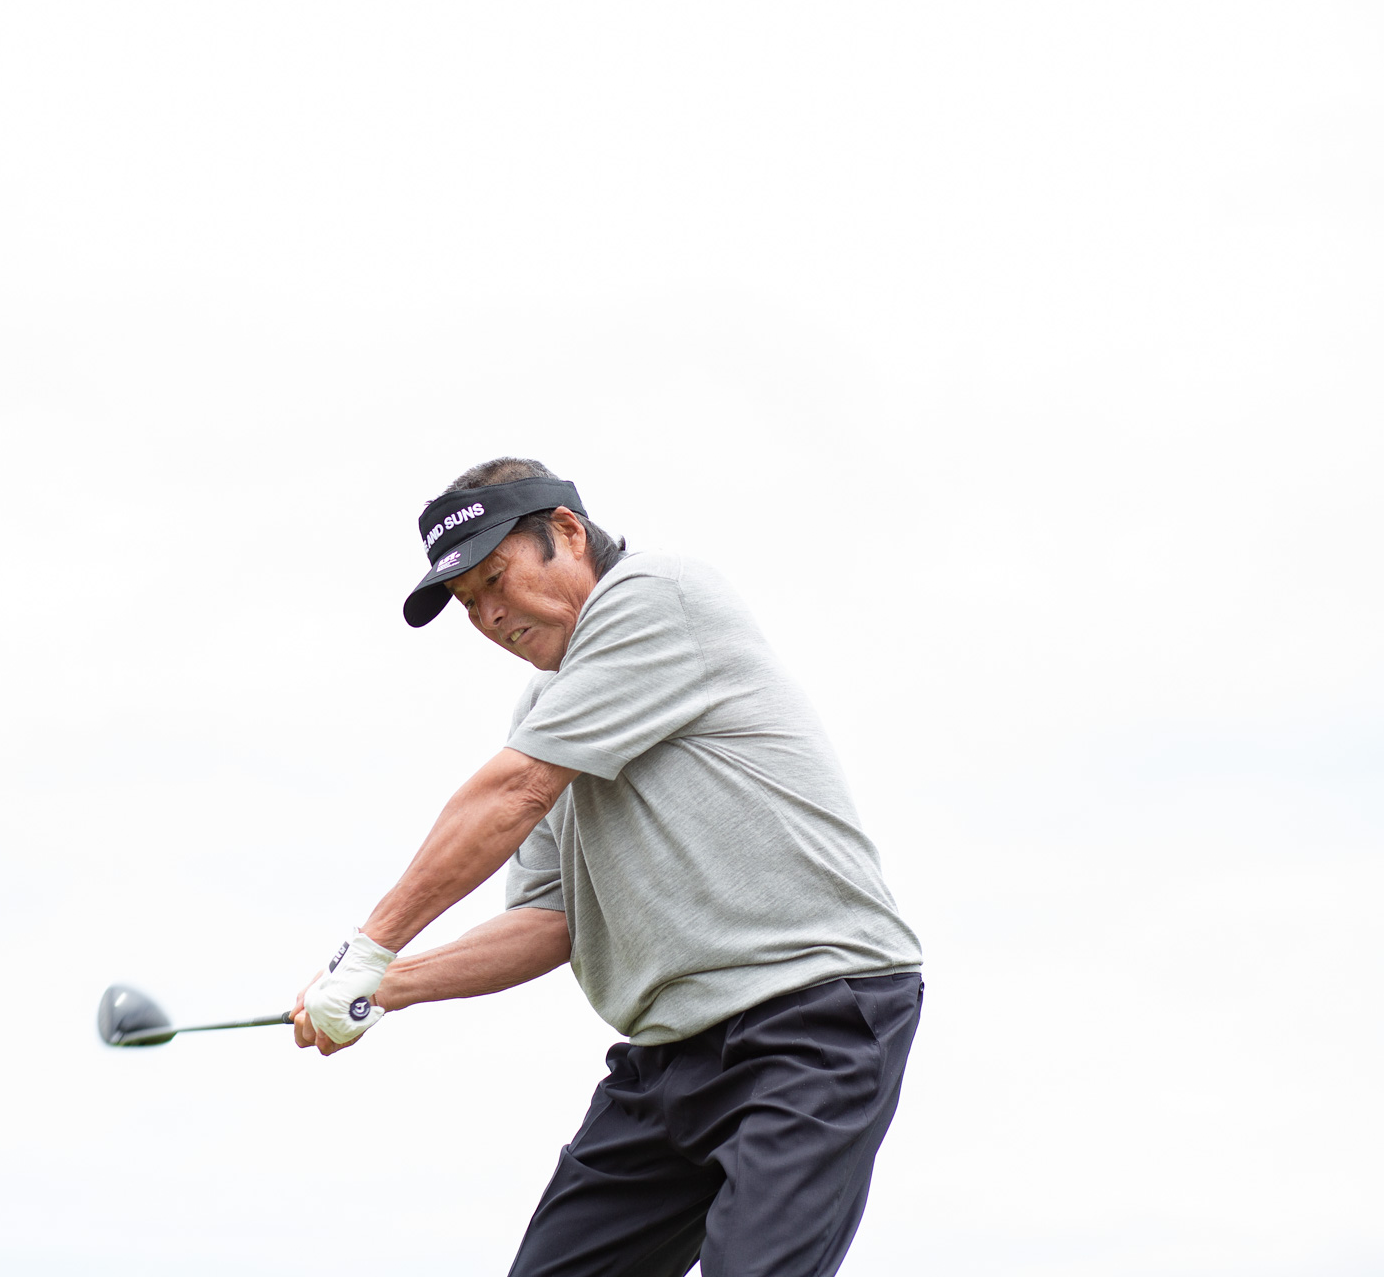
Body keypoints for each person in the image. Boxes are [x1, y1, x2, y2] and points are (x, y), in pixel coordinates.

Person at [292, 457, 924, 1277]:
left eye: (495, 579)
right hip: (668, 1056)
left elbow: (515, 790)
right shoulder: (548, 710)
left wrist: (367, 948)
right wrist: (383, 985)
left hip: (811, 1018)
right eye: (468, 603)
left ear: (566, 531)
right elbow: (551, 922)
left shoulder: (657, 597)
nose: (489, 615)